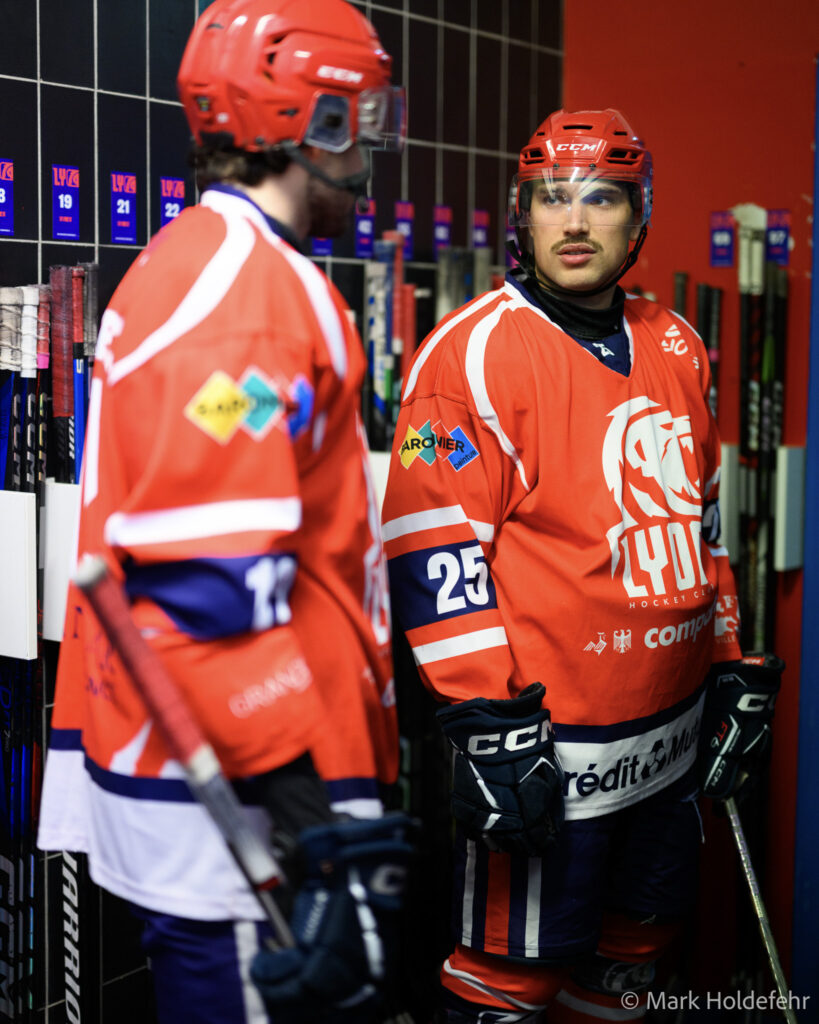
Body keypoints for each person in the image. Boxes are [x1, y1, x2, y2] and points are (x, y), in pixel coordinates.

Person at [37, 2, 414, 1021]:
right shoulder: (243, 299)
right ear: (319, 121)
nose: (377, 145)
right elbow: (208, 595)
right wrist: (314, 822)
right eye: (365, 115)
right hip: (239, 822)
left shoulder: (205, 263)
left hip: (218, 795)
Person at [381, 108, 782, 1023]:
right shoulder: (472, 354)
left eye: (600, 197)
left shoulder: (678, 343)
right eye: (549, 198)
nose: (573, 220)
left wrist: (725, 666)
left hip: (667, 747)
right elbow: (430, 546)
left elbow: (700, 525)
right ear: (519, 216)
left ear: (637, 219)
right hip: (550, 756)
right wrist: (485, 717)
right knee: (512, 979)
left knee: (632, 960)